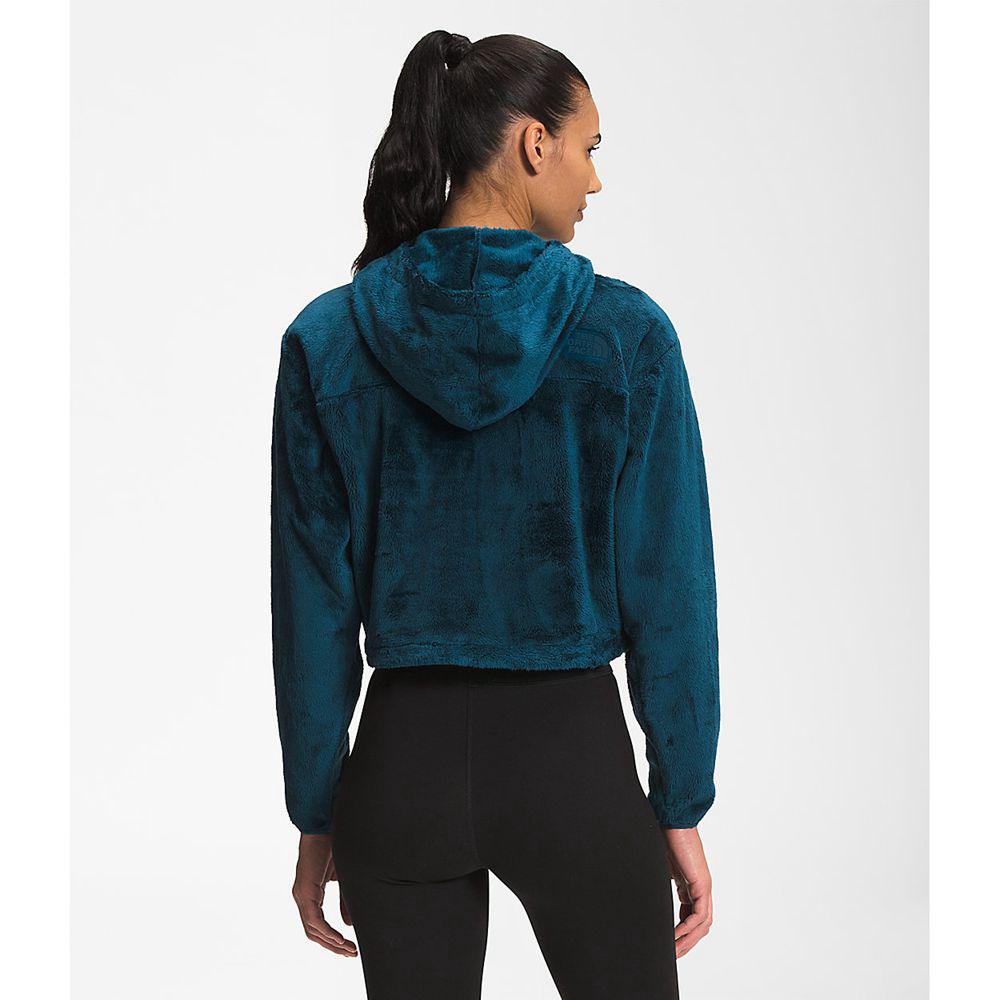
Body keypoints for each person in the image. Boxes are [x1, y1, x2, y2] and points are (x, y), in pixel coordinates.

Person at [271, 29, 720, 1000]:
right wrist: (679, 798)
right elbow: (671, 588)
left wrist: (317, 814)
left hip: (402, 773)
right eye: (588, 148)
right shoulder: (627, 336)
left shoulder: (327, 341)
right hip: (573, 766)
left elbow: (311, 611)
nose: (594, 179)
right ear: (532, 143)